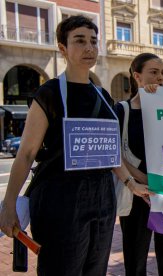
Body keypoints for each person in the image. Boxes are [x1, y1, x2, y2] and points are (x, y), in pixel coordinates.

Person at [0, 15, 149, 275]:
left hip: (102, 200)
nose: (89, 48)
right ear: (63, 48)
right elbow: (26, 154)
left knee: (95, 270)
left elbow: (110, 153)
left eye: (93, 41)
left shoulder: (103, 97)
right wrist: (9, 204)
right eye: (80, 41)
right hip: (59, 201)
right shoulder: (49, 93)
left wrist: (130, 183)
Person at [114, 53, 163, 276]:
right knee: (135, 258)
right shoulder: (122, 110)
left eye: (162, 73)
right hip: (136, 196)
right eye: (153, 72)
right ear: (137, 76)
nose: (160, 78)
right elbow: (115, 154)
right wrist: (140, 180)